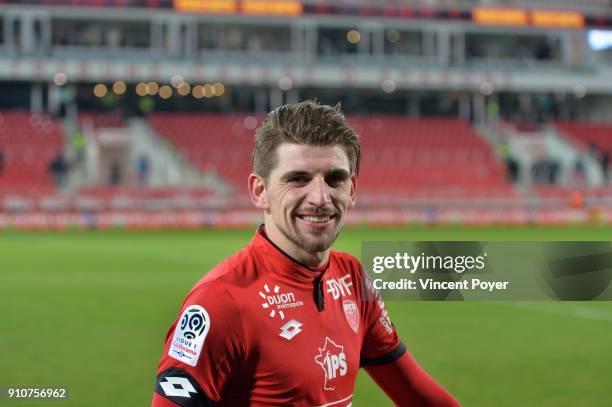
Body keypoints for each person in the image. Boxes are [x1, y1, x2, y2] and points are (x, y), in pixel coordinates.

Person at [152, 101, 460, 407]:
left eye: (334, 179)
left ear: (351, 189)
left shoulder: (351, 277)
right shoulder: (222, 301)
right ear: (260, 191)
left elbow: (414, 391)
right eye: (298, 179)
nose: (320, 198)